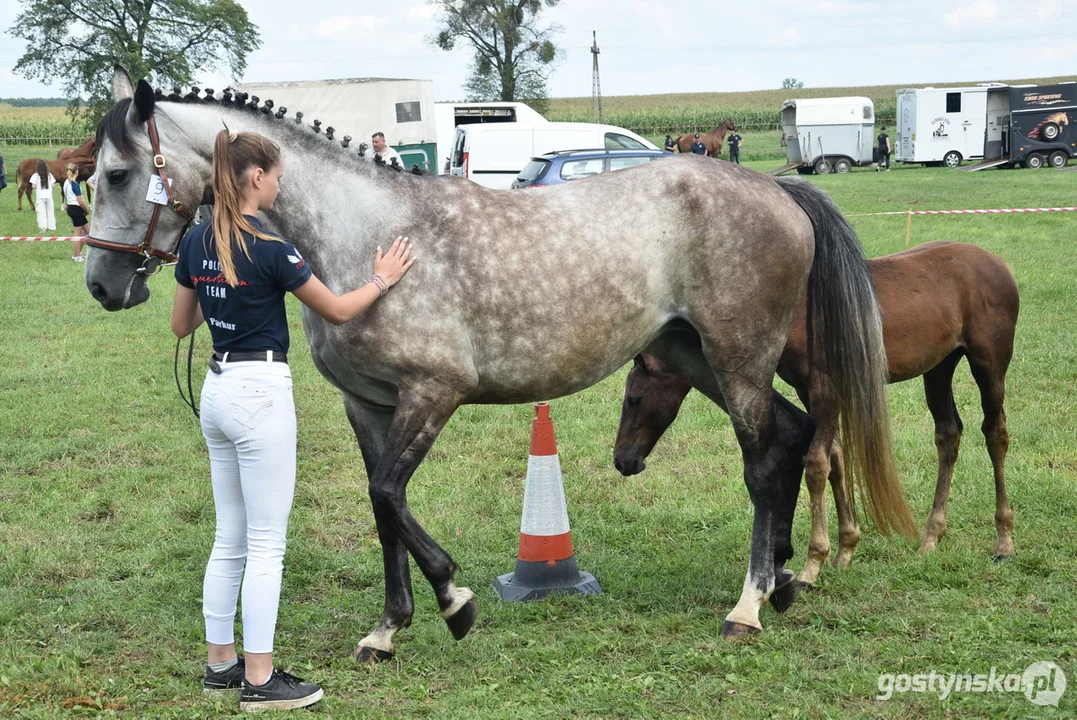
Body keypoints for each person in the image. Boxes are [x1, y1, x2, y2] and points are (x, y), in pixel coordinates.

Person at [171, 129, 416, 713]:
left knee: (228, 539)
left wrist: (218, 284)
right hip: (260, 394)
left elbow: (182, 326)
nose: (280, 185)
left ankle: (220, 665)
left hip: (217, 391)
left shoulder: (198, 239)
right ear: (255, 178)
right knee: (265, 545)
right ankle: (260, 680)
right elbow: (335, 309)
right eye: (276, 175)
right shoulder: (273, 248)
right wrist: (382, 279)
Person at [63, 162, 90, 261]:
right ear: (77, 172)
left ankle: (77, 253)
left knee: (88, 232)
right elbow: (80, 201)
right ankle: (77, 256)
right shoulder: (75, 184)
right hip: (76, 208)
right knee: (77, 234)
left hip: (70, 207)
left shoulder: (66, 183)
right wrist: (86, 210)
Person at [29, 160, 57, 233]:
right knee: (50, 212)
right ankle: (52, 227)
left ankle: (43, 227)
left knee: (41, 213)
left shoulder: (35, 176)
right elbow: (54, 185)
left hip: (40, 196)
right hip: (49, 196)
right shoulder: (50, 175)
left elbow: (33, 186)